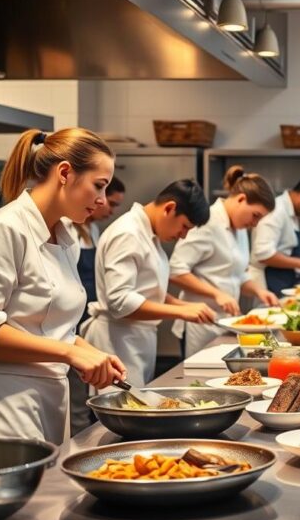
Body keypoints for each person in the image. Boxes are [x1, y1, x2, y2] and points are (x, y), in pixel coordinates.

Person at [0, 128, 126, 444]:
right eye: (99, 186)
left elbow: (48, 326)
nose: (102, 201)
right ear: (65, 173)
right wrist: (69, 353)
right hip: (0, 402)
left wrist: (89, 351)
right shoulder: (2, 229)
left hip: (49, 396)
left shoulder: (67, 239)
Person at [82, 179, 217, 388]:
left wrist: (184, 306)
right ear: (169, 208)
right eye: (184, 227)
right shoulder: (128, 233)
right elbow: (120, 302)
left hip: (136, 339)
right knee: (123, 414)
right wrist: (180, 313)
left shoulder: (149, 234)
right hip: (118, 340)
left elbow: (149, 289)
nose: (183, 236)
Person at [170, 166, 280, 358]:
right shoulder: (208, 222)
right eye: (255, 215)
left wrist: (259, 291)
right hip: (200, 324)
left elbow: (237, 275)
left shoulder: (239, 229)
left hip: (225, 323)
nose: (255, 224)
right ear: (241, 199)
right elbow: (176, 271)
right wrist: (217, 294)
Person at [66, 176, 125, 435]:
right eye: (99, 189)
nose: (106, 206)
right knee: (76, 398)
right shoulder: (67, 228)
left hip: (80, 322)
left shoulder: (92, 230)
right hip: (71, 321)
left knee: (84, 394)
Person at [249, 175, 300, 294]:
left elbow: (284, 250)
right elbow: (263, 254)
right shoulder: (277, 210)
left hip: (281, 282)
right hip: (267, 285)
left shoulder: (291, 213)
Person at [69, 176, 125, 320]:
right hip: (73, 308)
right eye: (111, 204)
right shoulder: (67, 228)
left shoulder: (93, 229)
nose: (112, 211)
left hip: (90, 307)